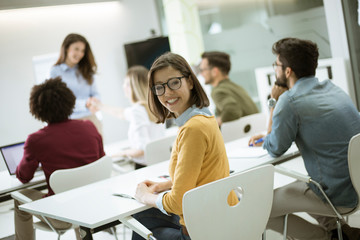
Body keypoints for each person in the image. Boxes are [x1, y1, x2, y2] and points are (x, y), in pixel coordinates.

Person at [249, 38, 360, 240]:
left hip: (335, 193)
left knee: (258, 209)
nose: (275, 70)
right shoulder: (332, 88)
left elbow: (275, 148)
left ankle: (326, 238)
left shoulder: (290, 101)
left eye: (277, 65)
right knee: (298, 186)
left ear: (288, 71)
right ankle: (342, 231)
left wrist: (274, 103)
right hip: (355, 183)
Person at [130, 52, 238, 240]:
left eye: (174, 83)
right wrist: (164, 185)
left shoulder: (192, 129)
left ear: (189, 81)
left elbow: (179, 202)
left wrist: (144, 196)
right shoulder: (205, 117)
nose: (167, 93)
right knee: (142, 218)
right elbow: (202, 173)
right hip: (224, 218)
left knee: (139, 224)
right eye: (159, 87)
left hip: (205, 231)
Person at [14, 78, 105, 240]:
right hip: (94, 205)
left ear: (37, 109)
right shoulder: (89, 127)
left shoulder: (36, 140)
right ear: (70, 102)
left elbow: (23, 176)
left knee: (18, 197)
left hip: (61, 216)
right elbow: (101, 161)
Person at [90, 65, 165, 168]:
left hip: (144, 166)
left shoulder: (137, 110)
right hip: (159, 163)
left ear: (135, 87)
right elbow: (120, 113)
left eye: (127, 84)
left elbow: (141, 149)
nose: (123, 87)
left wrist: (119, 154)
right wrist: (100, 106)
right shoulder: (154, 107)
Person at [50, 33, 102, 134]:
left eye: (82, 51)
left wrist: (95, 101)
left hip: (91, 120)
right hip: (70, 123)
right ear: (66, 48)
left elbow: (95, 93)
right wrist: (85, 103)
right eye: (76, 49)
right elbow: (60, 101)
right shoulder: (55, 72)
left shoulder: (87, 70)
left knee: (99, 149)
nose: (80, 54)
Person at [199, 51, 258, 126]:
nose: (201, 74)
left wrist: (214, 123)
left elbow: (232, 111)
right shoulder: (236, 87)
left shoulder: (218, 91)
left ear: (214, 71)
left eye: (202, 70)